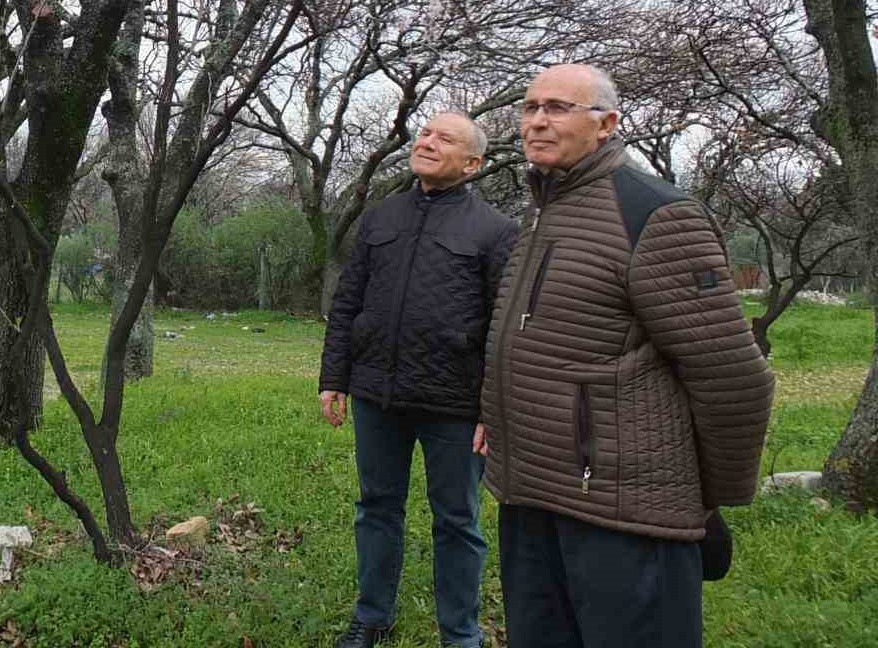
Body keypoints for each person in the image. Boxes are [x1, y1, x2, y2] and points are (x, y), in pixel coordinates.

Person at [480, 64, 774, 648]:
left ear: (607, 124)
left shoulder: (654, 215)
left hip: (625, 513)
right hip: (534, 496)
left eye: (558, 108)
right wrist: (497, 415)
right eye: (530, 107)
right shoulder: (543, 209)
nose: (537, 120)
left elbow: (734, 378)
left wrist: (704, 499)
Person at [320, 112, 517, 648]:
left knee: (457, 521)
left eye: (444, 139)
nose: (427, 142)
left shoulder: (495, 230)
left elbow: (504, 326)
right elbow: (348, 303)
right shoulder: (381, 217)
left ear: (472, 163)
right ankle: (371, 618)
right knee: (376, 508)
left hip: (455, 404)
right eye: (425, 133)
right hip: (376, 394)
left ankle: (461, 634)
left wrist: (491, 407)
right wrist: (333, 376)